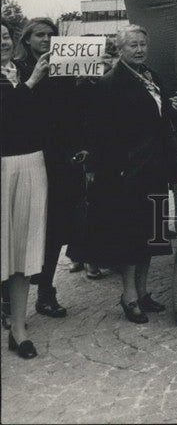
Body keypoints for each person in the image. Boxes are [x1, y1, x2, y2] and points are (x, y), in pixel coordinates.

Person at [83, 25, 175, 324]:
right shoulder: (111, 83)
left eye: (142, 44)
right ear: (119, 50)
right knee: (131, 237)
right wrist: (108, 167)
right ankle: (129, 296)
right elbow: (101, 131)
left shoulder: (151, 76)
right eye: (132, 45)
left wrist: (170, 109)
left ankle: (144, 292)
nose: (139, 49)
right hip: (128, 171)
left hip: (154, 168)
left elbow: (154, 119)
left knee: (150, 234)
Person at [14, 17, 87, 319]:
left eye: (50, 35)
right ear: (27, 39)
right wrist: (36, 79)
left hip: (60, 159)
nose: (45, 40)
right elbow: (15, 112)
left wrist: (86, 84)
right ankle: (11, 297)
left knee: (56, 226)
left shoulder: (66, 65)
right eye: (39, 35)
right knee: (23, 225)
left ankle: (46, 291)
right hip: (27, 155)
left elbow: (76, 111)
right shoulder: (18, 69)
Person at [1, 24, 50, 358]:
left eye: (4, 36)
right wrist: (32, 83)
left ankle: (19, 329)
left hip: (32, 161)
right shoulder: (26, 77)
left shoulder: (22, 68)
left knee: (22, 250)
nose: (1, 42)